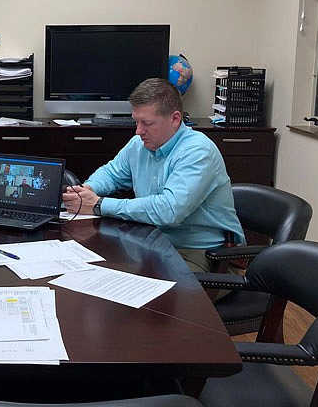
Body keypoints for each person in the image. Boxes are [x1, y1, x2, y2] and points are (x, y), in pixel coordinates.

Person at [62, 78, 244, 272]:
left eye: (147, 123)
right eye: (136, 122)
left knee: (146, 294)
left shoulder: (198, 151)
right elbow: (112, 173)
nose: (139, 131)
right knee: (92, 271)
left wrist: (98, 205)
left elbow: (168, 211)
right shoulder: (138, 144)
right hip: (150, 241)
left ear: (175, 119)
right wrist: (88, 190)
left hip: (200, 252)